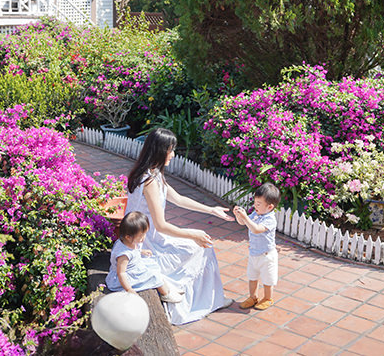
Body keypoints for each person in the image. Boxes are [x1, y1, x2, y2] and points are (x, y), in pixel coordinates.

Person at [124, 128, 233, 324]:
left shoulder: (152, 173)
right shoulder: (149, 181)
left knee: (202, 245)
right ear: (160, 150)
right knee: (203, 247)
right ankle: (204, 302)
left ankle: (210, 300)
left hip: (152, 237)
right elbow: (161, 225)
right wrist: (192, 234)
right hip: (147, 244)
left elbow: (179, 198)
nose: (173, 154)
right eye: (171, 150)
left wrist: (211, 209)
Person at [105, 211, 184, 304]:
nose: (144, 238)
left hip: (134, 268)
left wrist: (141, 251)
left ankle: (167, 288)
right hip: (125, 279)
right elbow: (121, 273)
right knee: (153, 276)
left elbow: (133, 251)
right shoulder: (123, 255)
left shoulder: (127, 242)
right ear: (128, 237)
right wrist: (129, 289)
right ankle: (165, 294)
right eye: (141, 236)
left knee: (152, 265)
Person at [232, 182, 280, 310]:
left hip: (267, 256)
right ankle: (253, 297)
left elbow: (256, 229)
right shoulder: (255, 214)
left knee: (267, 279)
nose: (255, 206)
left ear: (270, 207)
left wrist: (246, 218)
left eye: (258, 204)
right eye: (255, 202)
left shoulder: (270, 219)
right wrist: (239, 216)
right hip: (254, 253)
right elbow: (243, 223)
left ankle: (268, 298)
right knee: (252, 277)